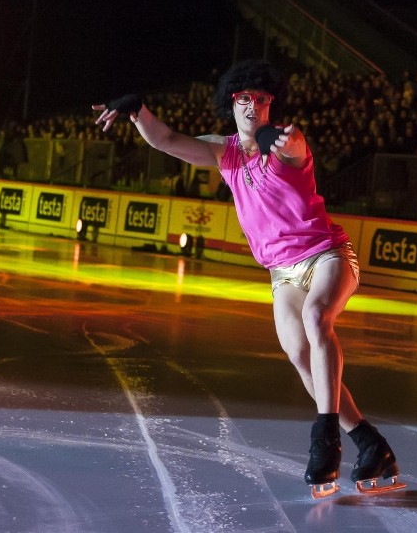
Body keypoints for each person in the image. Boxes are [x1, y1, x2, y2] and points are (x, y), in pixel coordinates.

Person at [93, 59, 401, 496]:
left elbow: (293, 142)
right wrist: (137, 110)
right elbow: (166, 140)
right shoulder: (224, 153)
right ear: (231, 104)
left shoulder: (286, 144)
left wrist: (277, 136)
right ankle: (369, 443)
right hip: (282, 273)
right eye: (244, 99)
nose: (253, 106)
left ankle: (325, 437)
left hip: (327, 255)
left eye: (261, 99)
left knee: (317, 319)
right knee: (298, 354)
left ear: (270, 104)